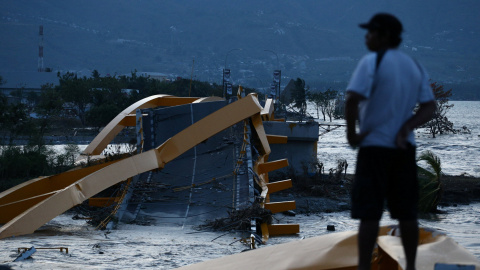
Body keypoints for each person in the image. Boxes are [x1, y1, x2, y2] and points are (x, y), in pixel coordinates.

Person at [344, 13, 436, 270]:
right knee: (407, 213)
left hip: (374, 147)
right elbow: (429, 106)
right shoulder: (413, 65)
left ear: (384, 36)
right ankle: (411, 267)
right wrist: (407, 126)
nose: (366, 36)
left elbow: (351, 100)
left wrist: (352, 135)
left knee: (369, 213)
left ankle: (364, 267)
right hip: (403, 148)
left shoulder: (371, 62)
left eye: (371, 32)